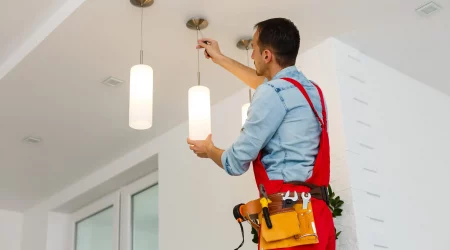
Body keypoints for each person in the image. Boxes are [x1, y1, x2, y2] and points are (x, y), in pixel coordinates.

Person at [187, 18, 335, 250]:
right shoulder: (310, 90)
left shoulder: (272, 93)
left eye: (254, 49)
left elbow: (235, 163)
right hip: (318, 217)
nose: (252, 55)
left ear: (267, 55)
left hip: (289, 217)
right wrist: (221, 58)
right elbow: (269, 84)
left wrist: (209, 150)